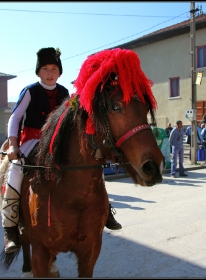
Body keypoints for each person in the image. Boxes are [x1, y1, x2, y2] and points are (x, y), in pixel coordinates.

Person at [1, 47, 121, 254]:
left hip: (58, 142)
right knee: (16, 170)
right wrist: (13, 144)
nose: (50, 73)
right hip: (33, 139)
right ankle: (10, 227)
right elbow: (15, 117)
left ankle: (105, 210)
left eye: (54, 69)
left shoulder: (65, 93)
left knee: (89, 164)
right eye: (45, 69)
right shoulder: (30, 91)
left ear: (59, 72)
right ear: (38, 72)